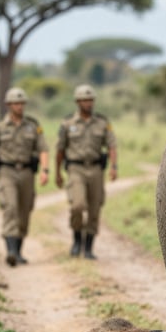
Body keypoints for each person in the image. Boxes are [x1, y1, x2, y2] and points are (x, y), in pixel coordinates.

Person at [0, 87, 50, 266]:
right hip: (7, 171)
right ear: (8, 105)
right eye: (16, 103)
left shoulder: (33, 125)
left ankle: (18, 250)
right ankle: (11, 251)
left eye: (22, 103)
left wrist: (45, 170)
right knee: (10, 206)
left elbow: (43, 149)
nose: (19, 106)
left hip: (27, 172)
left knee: (24, 210)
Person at [55, 84, 118, 259]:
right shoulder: (68, 124)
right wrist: (57, 173)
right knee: (77, 205)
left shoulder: (102, 123)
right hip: (75, 169)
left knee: (94, 208)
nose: (88, 103)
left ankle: (88, 247)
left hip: (96, 169)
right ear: (78, 102)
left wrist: (114, 166)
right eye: (84, 100)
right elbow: (60, 149)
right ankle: (76, 240)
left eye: (90, 100)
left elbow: (111, 145)